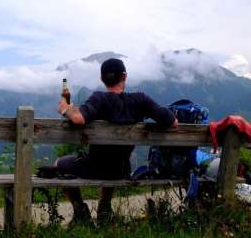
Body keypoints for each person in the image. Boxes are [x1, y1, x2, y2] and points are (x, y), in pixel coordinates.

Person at [56, 58, 178, 225]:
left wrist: (65, 109)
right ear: (124, 76)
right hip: (122, 169)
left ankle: (80, 210)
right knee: (115, 157)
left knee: (58, 164)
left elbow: (78, 119)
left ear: (102, 79)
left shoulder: (99, 98)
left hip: (95, 168)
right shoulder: (140, 100)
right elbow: (172, 121)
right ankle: (104, 207)